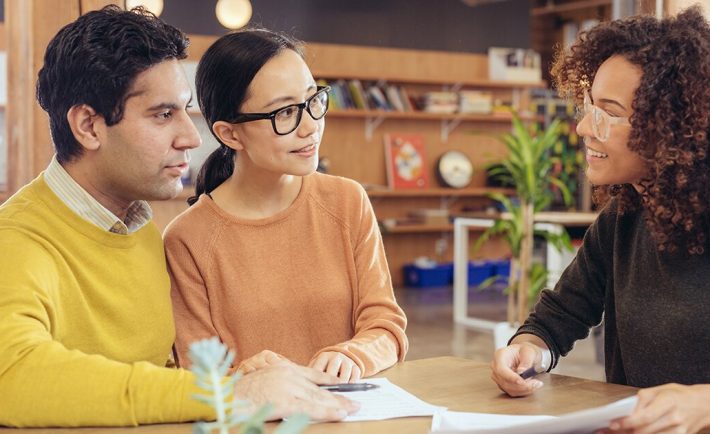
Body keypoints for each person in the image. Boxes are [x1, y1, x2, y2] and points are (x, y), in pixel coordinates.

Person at [0, 6, 357, 427]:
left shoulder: (139, 230)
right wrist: (227, 393)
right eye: (163, 114)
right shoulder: (17, 240)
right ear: (88, 126)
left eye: (185, 110)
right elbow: (13, 377)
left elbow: (151, 381)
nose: (190, 138)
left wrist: (240, 377)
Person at [490, 6, 710, 434]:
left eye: (609, 112)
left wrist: (703, 403)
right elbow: (558, 317)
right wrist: (530, 349)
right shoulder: (621, 219)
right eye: (588, 106)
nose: (585, 129)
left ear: (670, 125)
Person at [163, 29, 408, 383]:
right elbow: (200, 373)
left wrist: (352, 355)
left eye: (313, 101)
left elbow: (386, 325)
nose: (310, 126)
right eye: (286, 113)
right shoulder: (188, 239)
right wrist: (248, 377)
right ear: (230, 134)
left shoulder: (347, 201)